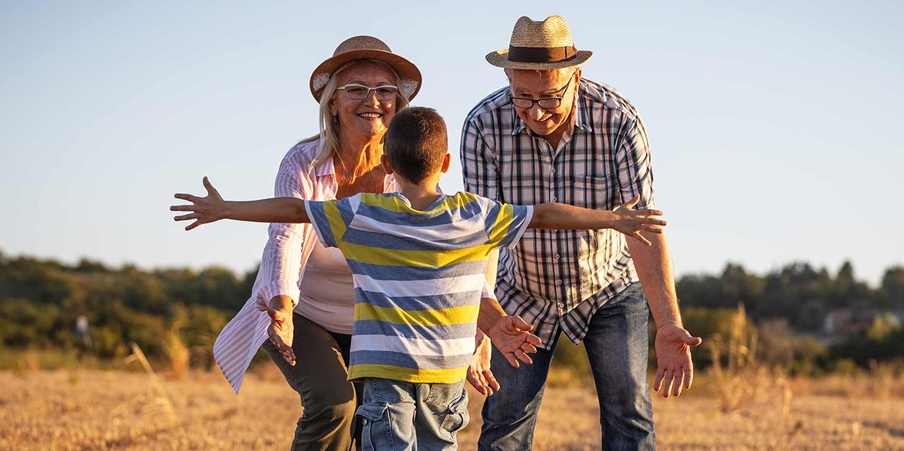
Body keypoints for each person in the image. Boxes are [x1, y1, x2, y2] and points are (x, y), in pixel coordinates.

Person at [172, 106, 669, 450]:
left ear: (387, 163)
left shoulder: (364, 215)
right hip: (447, 377)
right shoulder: (473, 215)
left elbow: (293, 210)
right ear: (447, 163)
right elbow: (544, 214)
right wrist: (611, 219)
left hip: (385, 375)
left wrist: (226, 208)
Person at [460, 16, 703, 450]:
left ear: (577, 78)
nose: (536, 111)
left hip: (607, 284)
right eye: (523, 97)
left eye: (551, 97)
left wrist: (668, 323)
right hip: (521, 290)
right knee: (504, 421)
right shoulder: (483, 125)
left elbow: (642, 229)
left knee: (629, 412)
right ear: (508, 77)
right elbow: (483, 235)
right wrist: (484, 324)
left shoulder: (620, 121)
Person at [209, 35, 422, 450]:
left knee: (381, 420)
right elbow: (285, 235)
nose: (372, 100)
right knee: (334, 404)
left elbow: (438, 243)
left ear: (398, 103)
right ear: (332, 104)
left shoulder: (409, 169)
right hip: (304, 315)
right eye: (357, 89)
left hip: (378, 324)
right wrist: (282, 306)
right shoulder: (303, 163)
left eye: (384, 90)